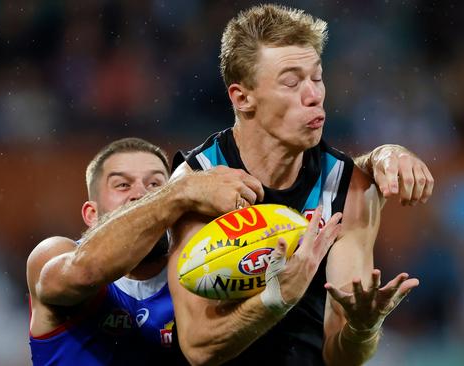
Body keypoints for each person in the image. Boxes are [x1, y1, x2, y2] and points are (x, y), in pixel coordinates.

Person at [168, 4, 434, 365]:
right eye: (291, 82)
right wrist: (275, 299)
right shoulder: (196, 179)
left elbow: (341, 356)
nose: (314, 95)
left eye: (317, 77)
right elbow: (199, 348)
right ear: (241, 97)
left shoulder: (349, 188)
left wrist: (361, 329)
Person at [26, 137, 266, 365]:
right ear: (91, 214)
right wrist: (178, 191)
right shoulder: (52, 254)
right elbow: (83, 273)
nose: (141, 194)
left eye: (155, 184)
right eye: (122, 185)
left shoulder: (207, 273)